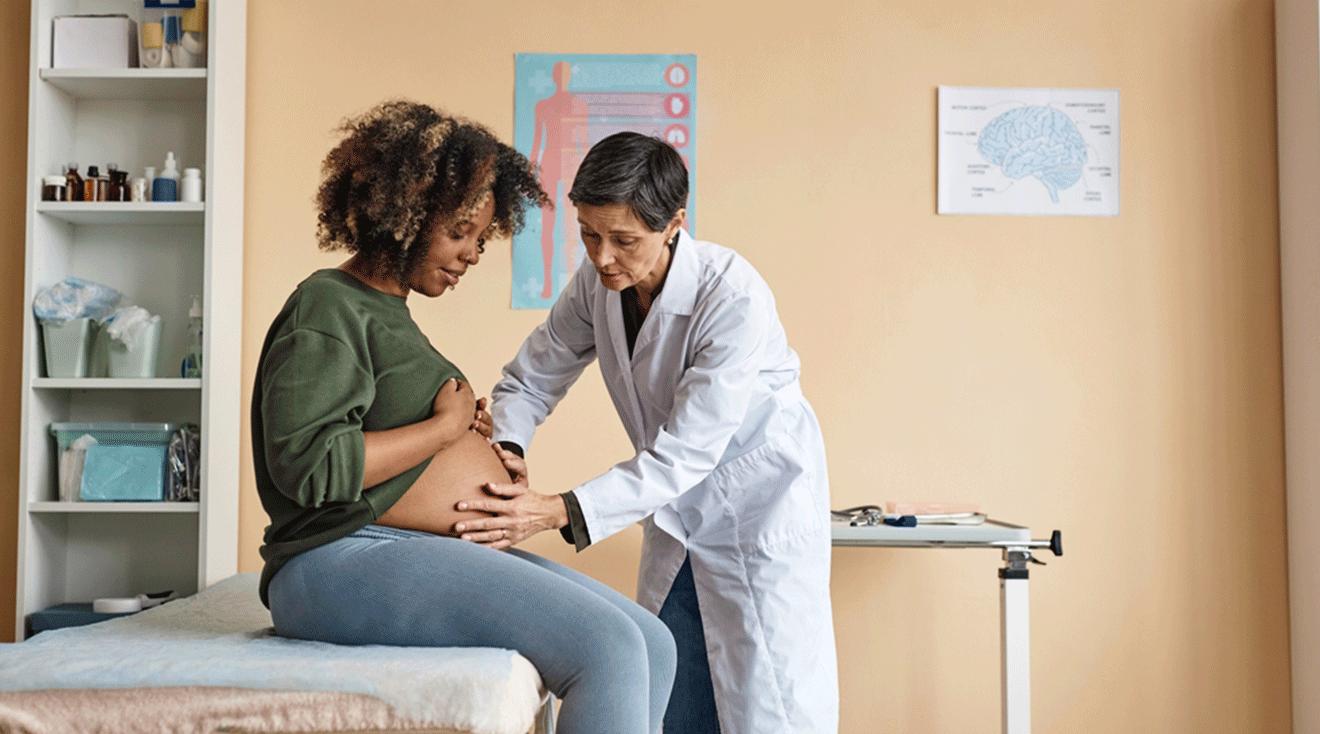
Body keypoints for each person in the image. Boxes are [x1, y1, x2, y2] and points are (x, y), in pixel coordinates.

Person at [251, 101, 676, 734]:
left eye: (482, 237)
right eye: (460, 233)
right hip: (333, 559)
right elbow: (309, 469)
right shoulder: (327, 307)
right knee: (607, 649)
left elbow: (390, 438)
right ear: (404, 219)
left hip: (397, 546)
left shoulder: (387, 313)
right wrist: (445, 431)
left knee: (651, 640)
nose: (474, 254)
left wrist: (471, 443)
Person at [462, 131, 838, 733]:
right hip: (677, 519)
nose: (603, 256)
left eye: (623, 240)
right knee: (671, 698)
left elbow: (686, 453)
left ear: (674, 225)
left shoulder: (732, 297)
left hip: (755, 518)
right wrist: (506, 449)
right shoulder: (597, 284)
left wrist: (556, 510)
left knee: (767, 707)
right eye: (589, 234)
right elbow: (533, 377)